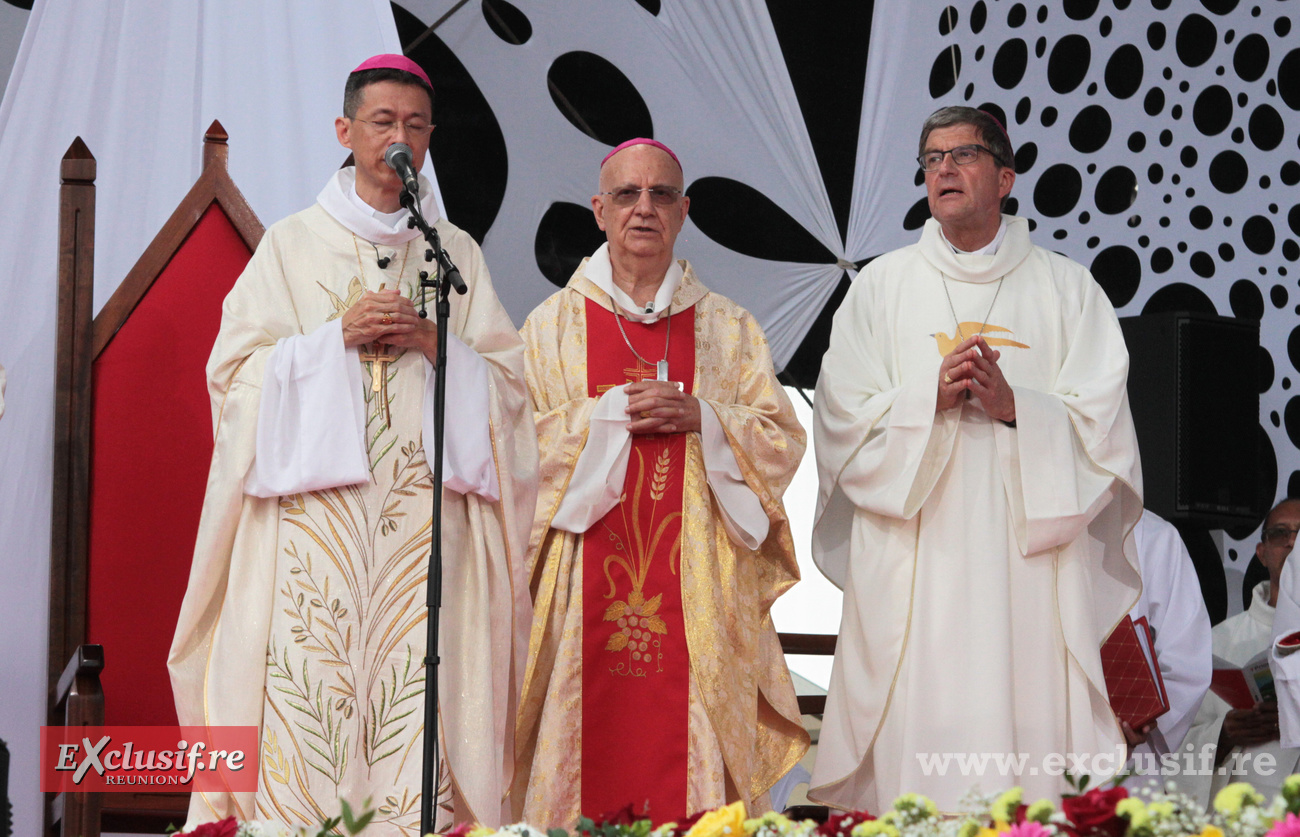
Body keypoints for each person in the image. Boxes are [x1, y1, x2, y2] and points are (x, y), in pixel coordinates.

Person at [168, 55, 537, 832]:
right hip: (312, 545)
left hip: (419, 545)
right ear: (346, 131)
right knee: (306, 712)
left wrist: (438, 343)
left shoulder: (454, 255)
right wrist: (330, 339)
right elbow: (231, 380)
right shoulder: (292, 248)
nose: (398, 138)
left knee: (415, 710)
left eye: (414, 125)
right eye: (382, 122)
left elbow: (510, 394)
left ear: (430, 139)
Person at [808, 106, 1143, 811]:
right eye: (931, 159)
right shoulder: (880, 288)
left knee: (1025, 760)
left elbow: (1105, 427)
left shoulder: (1068, 290)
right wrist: (926, 396)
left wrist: (1018, 407)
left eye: (962, 155)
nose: (944, 170)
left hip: (1027, 571)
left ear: (1006, 176)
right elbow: (839, 416)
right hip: (916, 562)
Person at [513, 138, 808, 827]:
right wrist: (606, 412)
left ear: (683, 212)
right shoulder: (549, 329)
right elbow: (514, 450)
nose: (643, 208)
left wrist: (703, 416)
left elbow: (781, 440)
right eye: (626, 194)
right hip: (578, 598)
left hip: (698, 592)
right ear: (598, 210)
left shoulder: (729, 329)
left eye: (661, 194)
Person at [1179, 499, 1300, 804]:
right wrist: (1224, 734)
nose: (1293, 542)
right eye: (1280, 533)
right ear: (1262, 553)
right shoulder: (1217, 642)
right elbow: (1173, 745)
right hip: (1243, 813)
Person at [1127, 510, 1212, 763]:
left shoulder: (1152, 535)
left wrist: (1141, 719)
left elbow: (1186, 659)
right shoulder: (1010, 526)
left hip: (1124, 753)